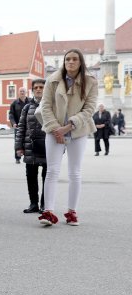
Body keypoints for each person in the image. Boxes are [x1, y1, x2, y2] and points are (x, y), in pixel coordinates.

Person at [38, 49, 98, 227]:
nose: (70, 62)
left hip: (77, 130)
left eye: (74, 59)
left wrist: (68, 127)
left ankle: (72, 211)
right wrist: (56, 129)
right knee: (52, 171)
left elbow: (89, 108)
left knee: (75, 172)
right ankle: (48, 211)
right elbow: (46, 105)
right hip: (54, 130)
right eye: (67, 59)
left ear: (80, 62)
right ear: (63, 62)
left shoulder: (91, 82)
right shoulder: (52, 80)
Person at [15, 79, 47, 213]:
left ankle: (45, 205)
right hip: (30, 147)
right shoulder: (27, 107)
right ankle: (33, 204)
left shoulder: (52, 105)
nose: (38, 89)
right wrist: (19, 146)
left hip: (47, 147)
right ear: (32, 90)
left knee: (47, 177)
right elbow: (21, 127)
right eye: (36, 88)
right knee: (31, 176)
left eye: (41, 87)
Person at [9, 87, 28, 163]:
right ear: (18, 93)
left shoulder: (30, 101)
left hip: (28, 125)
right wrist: (13, 123)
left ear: (26, 92)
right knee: (18, 142)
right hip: (18, 126)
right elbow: (11, 115)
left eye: (23, 91)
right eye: (20, 91)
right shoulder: (14, 103)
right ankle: (17, 158)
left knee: (28, 141)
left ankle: (28, 157)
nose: (22, 92)